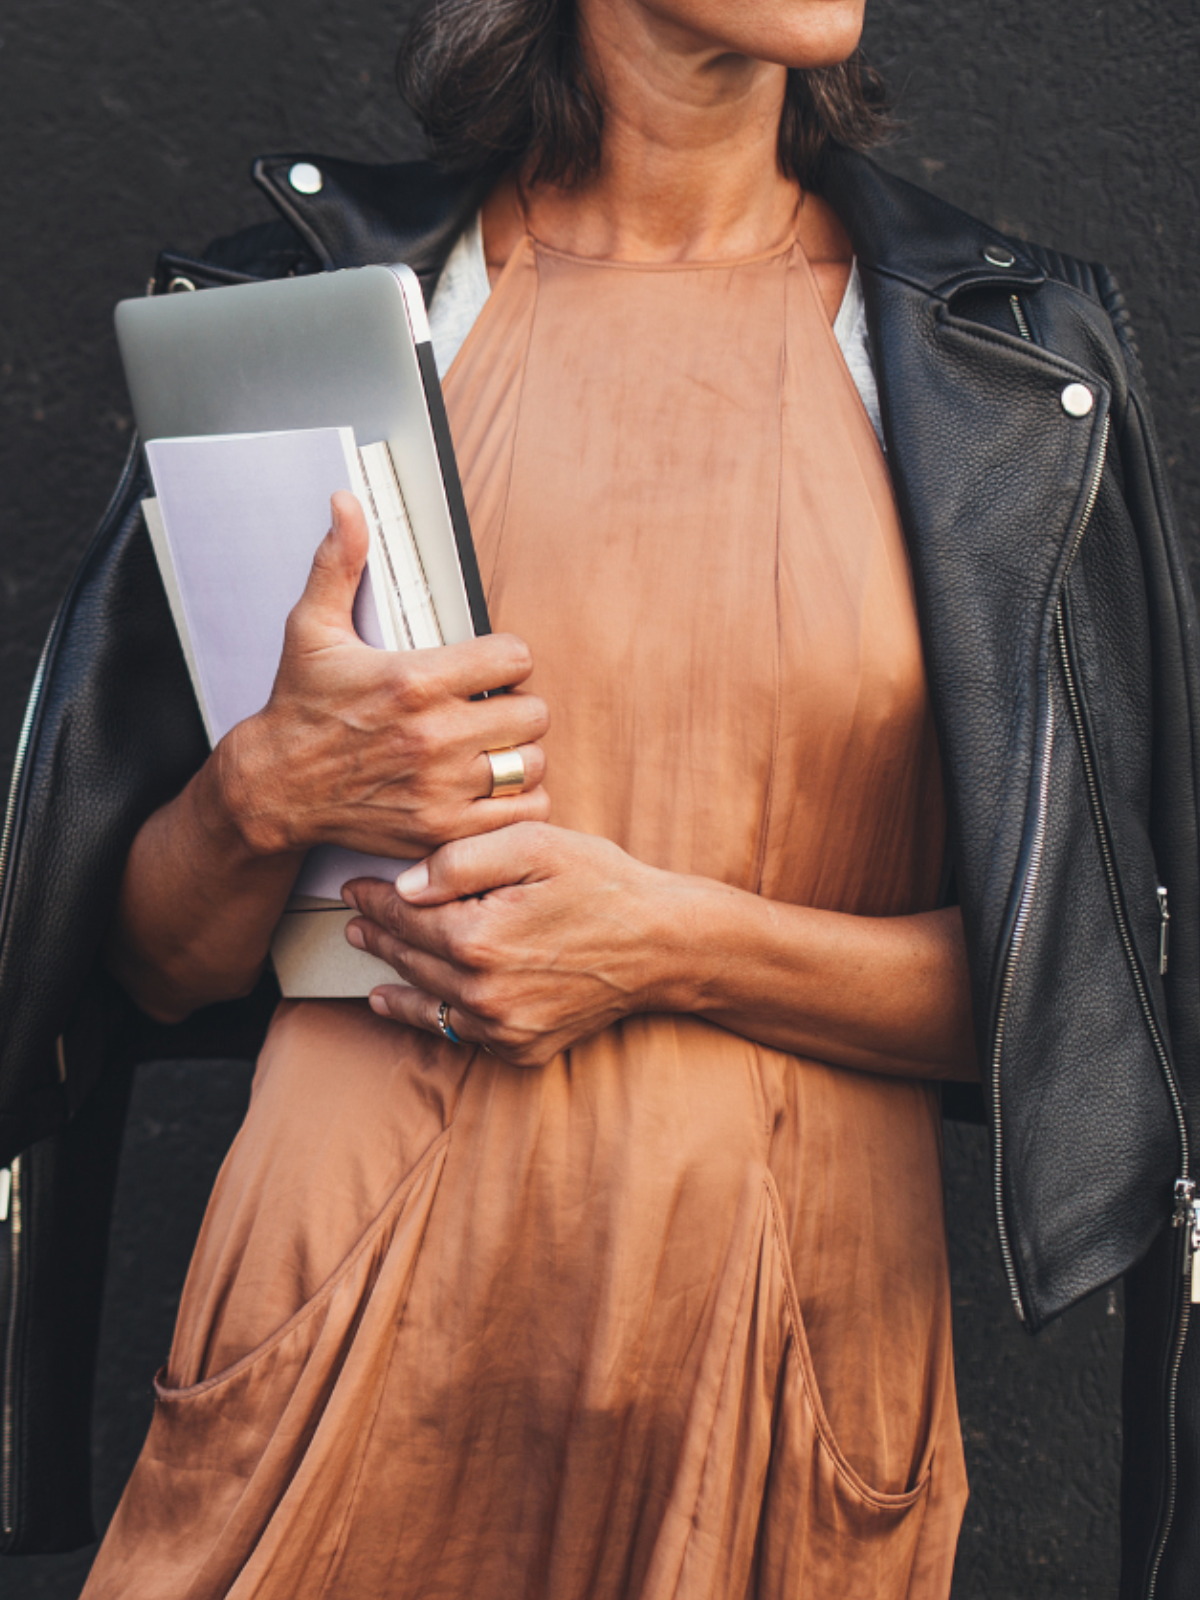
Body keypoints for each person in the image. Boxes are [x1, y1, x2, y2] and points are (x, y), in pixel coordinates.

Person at [1, 0, 1194, 1595]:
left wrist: (671, 943)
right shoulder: (328, 311)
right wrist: (260, 793)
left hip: (780, 1357)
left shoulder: (1005, 361)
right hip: (335, 1325)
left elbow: (1092, 1026)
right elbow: (151, 964)